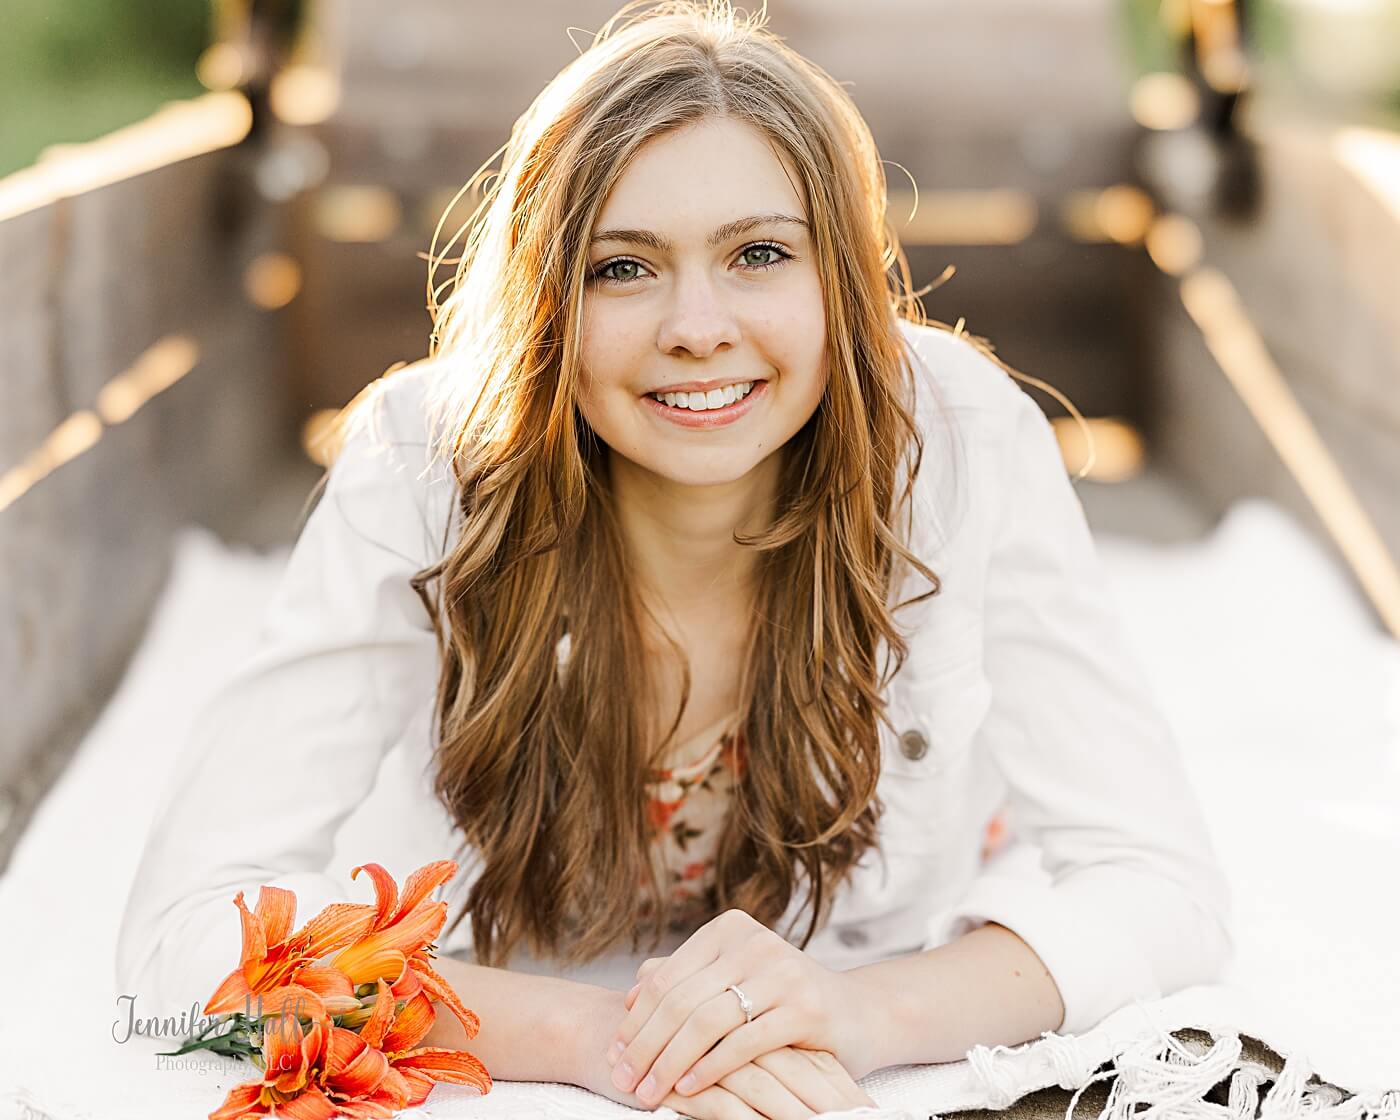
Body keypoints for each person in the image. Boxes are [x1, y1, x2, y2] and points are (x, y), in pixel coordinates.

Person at [116, 2, 1234, 1117]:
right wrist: (592, 1036)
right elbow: (184, 938)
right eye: (621, 267)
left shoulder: (959, 437)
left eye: (758, 253)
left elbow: (1161, 890)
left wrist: (856, 1012)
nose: (696, 326)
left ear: (836, 279)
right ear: (548, 298)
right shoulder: (420, 464)